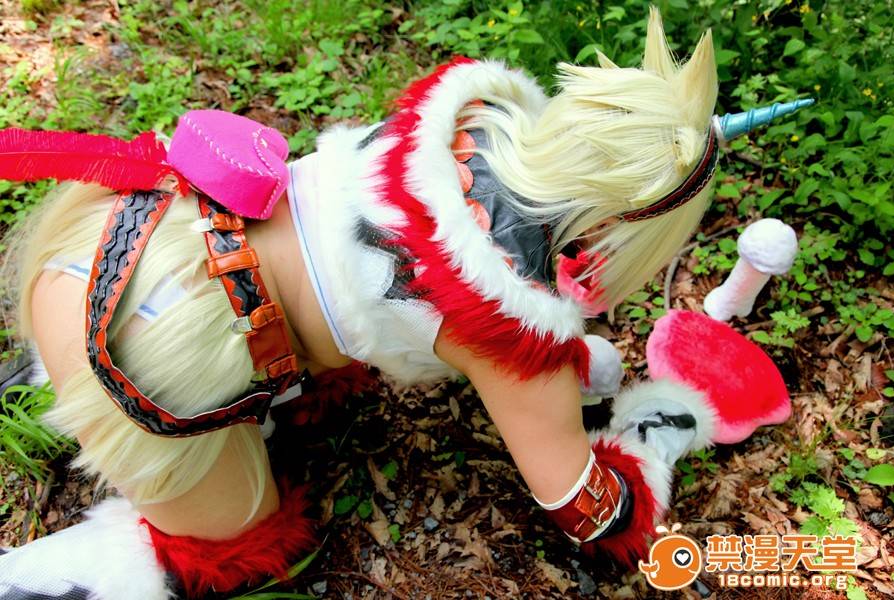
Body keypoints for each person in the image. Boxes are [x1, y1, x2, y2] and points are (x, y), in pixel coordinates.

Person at [0, 8, 809, 599]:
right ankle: (60, 570)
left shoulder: (470, 121)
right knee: (238, 547)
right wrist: (659, 430)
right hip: (146, 346)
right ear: (626, 227)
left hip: (119, 228)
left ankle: (53, 375)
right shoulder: (510, 326)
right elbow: (584, 506)